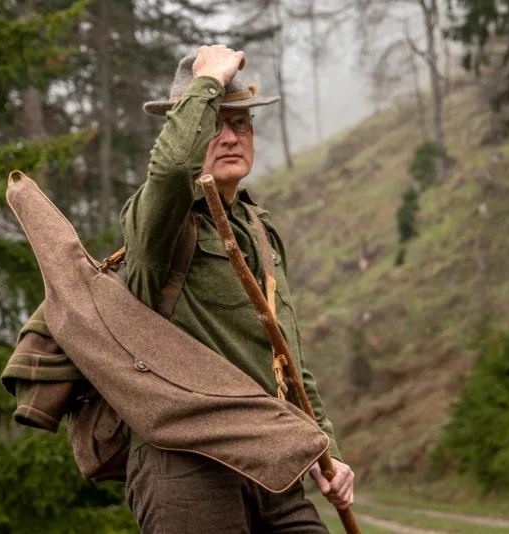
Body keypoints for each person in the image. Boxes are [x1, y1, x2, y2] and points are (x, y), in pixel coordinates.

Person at [118, 45, 355, 532]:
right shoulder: (159, 225)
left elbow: (286, 360)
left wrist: (322, 448)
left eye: (240, 123)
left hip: (272, 465)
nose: (229, 137)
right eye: (212, 124)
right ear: (189, 127)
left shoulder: (258, 229)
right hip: (187, 463)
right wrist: (207, 79)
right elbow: (170, 172)